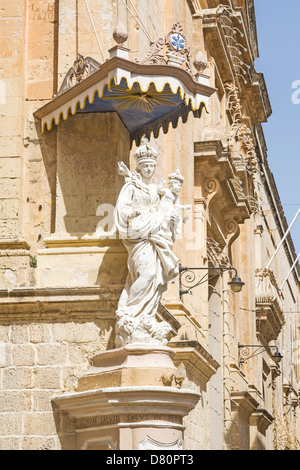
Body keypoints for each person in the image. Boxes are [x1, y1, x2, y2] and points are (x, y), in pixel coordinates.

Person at [114, 137, 181, 347]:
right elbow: (121, 208)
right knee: (148, 274)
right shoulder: (131, 186)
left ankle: (144, 315)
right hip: (139, 235)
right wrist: (134, 211)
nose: (150, 169)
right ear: (140, 167)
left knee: (154, 279)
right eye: (146, 166)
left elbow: (166, 209)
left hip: (155, 235)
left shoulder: (155, 190)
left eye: (152, 166)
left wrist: (172, 219)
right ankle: (131, 312)